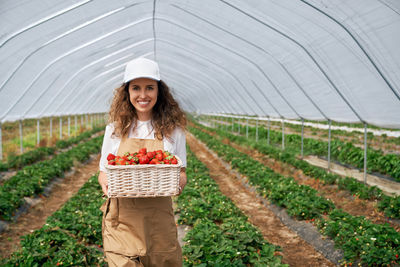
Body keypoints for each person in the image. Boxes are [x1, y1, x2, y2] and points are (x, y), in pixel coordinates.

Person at [98, 57, 187, 267]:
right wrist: (105, 183)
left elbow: (181, 171)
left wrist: (178, 184)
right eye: (136, 88)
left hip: (158, 223)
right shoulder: (114, 129)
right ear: (127, 92)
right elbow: (104, 171)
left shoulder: (173, 130)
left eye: (150, 88)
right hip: (122, 222)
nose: (143, 95)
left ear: (159, 91)